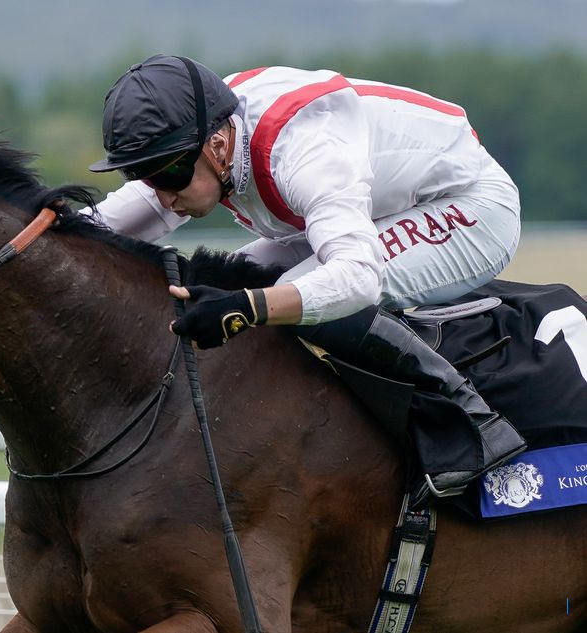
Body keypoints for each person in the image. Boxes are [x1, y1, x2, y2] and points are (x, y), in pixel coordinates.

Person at [86, 54, 527, 507]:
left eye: (165, 174)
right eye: (141, 173)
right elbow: (107, 223)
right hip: (378, 204)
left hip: (471, 208)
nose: (160, 192)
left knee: (296, 299)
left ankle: (472, 423)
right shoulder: (200, 140)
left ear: (218, 146)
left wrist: (251, 307)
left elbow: (356, 279)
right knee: (226, 281)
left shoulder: (305, 150)